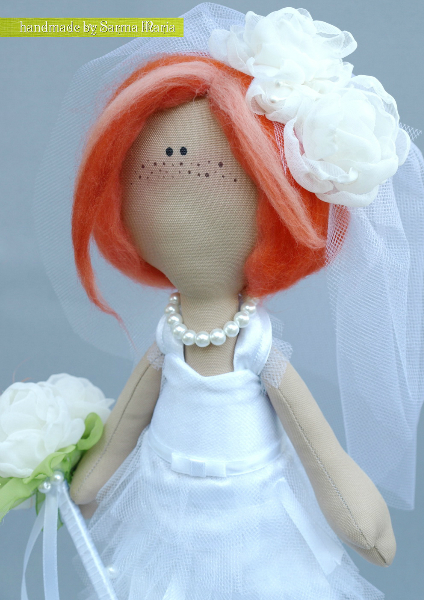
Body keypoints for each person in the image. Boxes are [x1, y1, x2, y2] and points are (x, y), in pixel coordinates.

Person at [33, 5, 424, 599]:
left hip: (251, 512)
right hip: (166, 499)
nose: (173, 169)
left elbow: (314, 443)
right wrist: (82, 486)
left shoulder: (257, 347)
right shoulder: (169, 336)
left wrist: (356, 516)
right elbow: (125, 425)